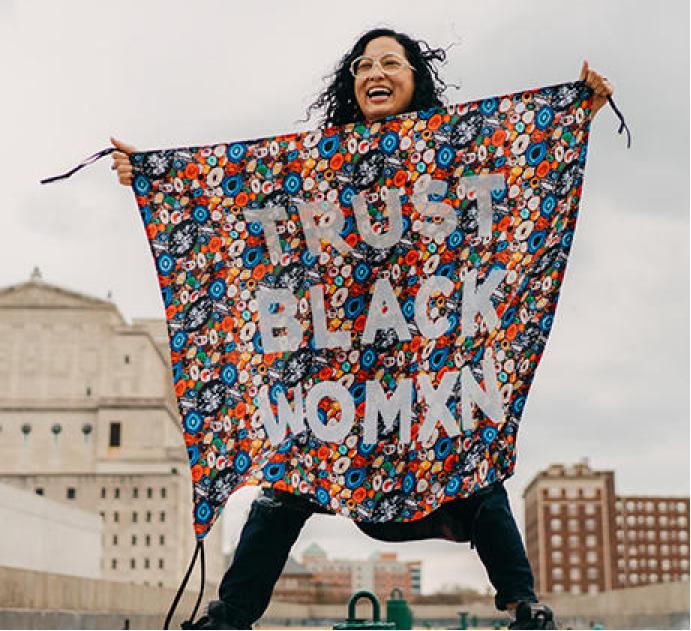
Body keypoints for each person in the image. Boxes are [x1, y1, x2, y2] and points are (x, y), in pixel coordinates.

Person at [112, 28, 614, 630]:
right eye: (363, 64)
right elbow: (238, 192)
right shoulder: (320, 160)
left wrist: (573, 113)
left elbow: (518, 159)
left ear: (414, 76)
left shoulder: (456, 149)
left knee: (470, 458)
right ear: (352, 84)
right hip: (339, 378)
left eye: (390, 62)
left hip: (424, 370)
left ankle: (524, 605)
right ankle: (231, 615)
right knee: (288, 478)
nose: (374, 71)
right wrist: (159, 178)